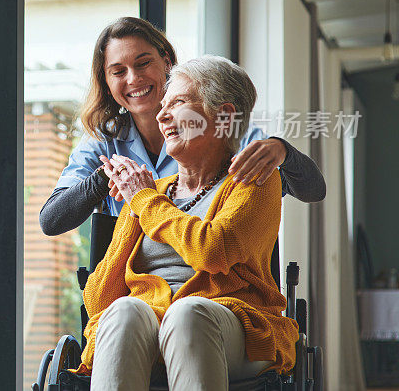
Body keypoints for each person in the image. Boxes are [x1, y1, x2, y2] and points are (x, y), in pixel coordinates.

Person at [79, 56, 299, 390]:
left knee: (188, 314)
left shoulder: (253, 180)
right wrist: (136, 207)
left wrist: (143, 201)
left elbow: (213, 250)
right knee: (124, 311)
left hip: (234, 328)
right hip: (148, 330)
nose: (161, 115)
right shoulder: (151, 191)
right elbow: (98, 302)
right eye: (162, 105)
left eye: (178, 102)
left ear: (223, 116)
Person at [39, 17, 325, 236]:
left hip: (216, 281)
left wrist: (282, 150)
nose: (133, 79)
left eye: (143, 63)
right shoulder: (105, 142)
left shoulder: (224, 127)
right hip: (135, 286)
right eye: (118, 71)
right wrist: (105, 178)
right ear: (106, 80)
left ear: (167, 62)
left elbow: (313, 190)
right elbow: (51, 221)